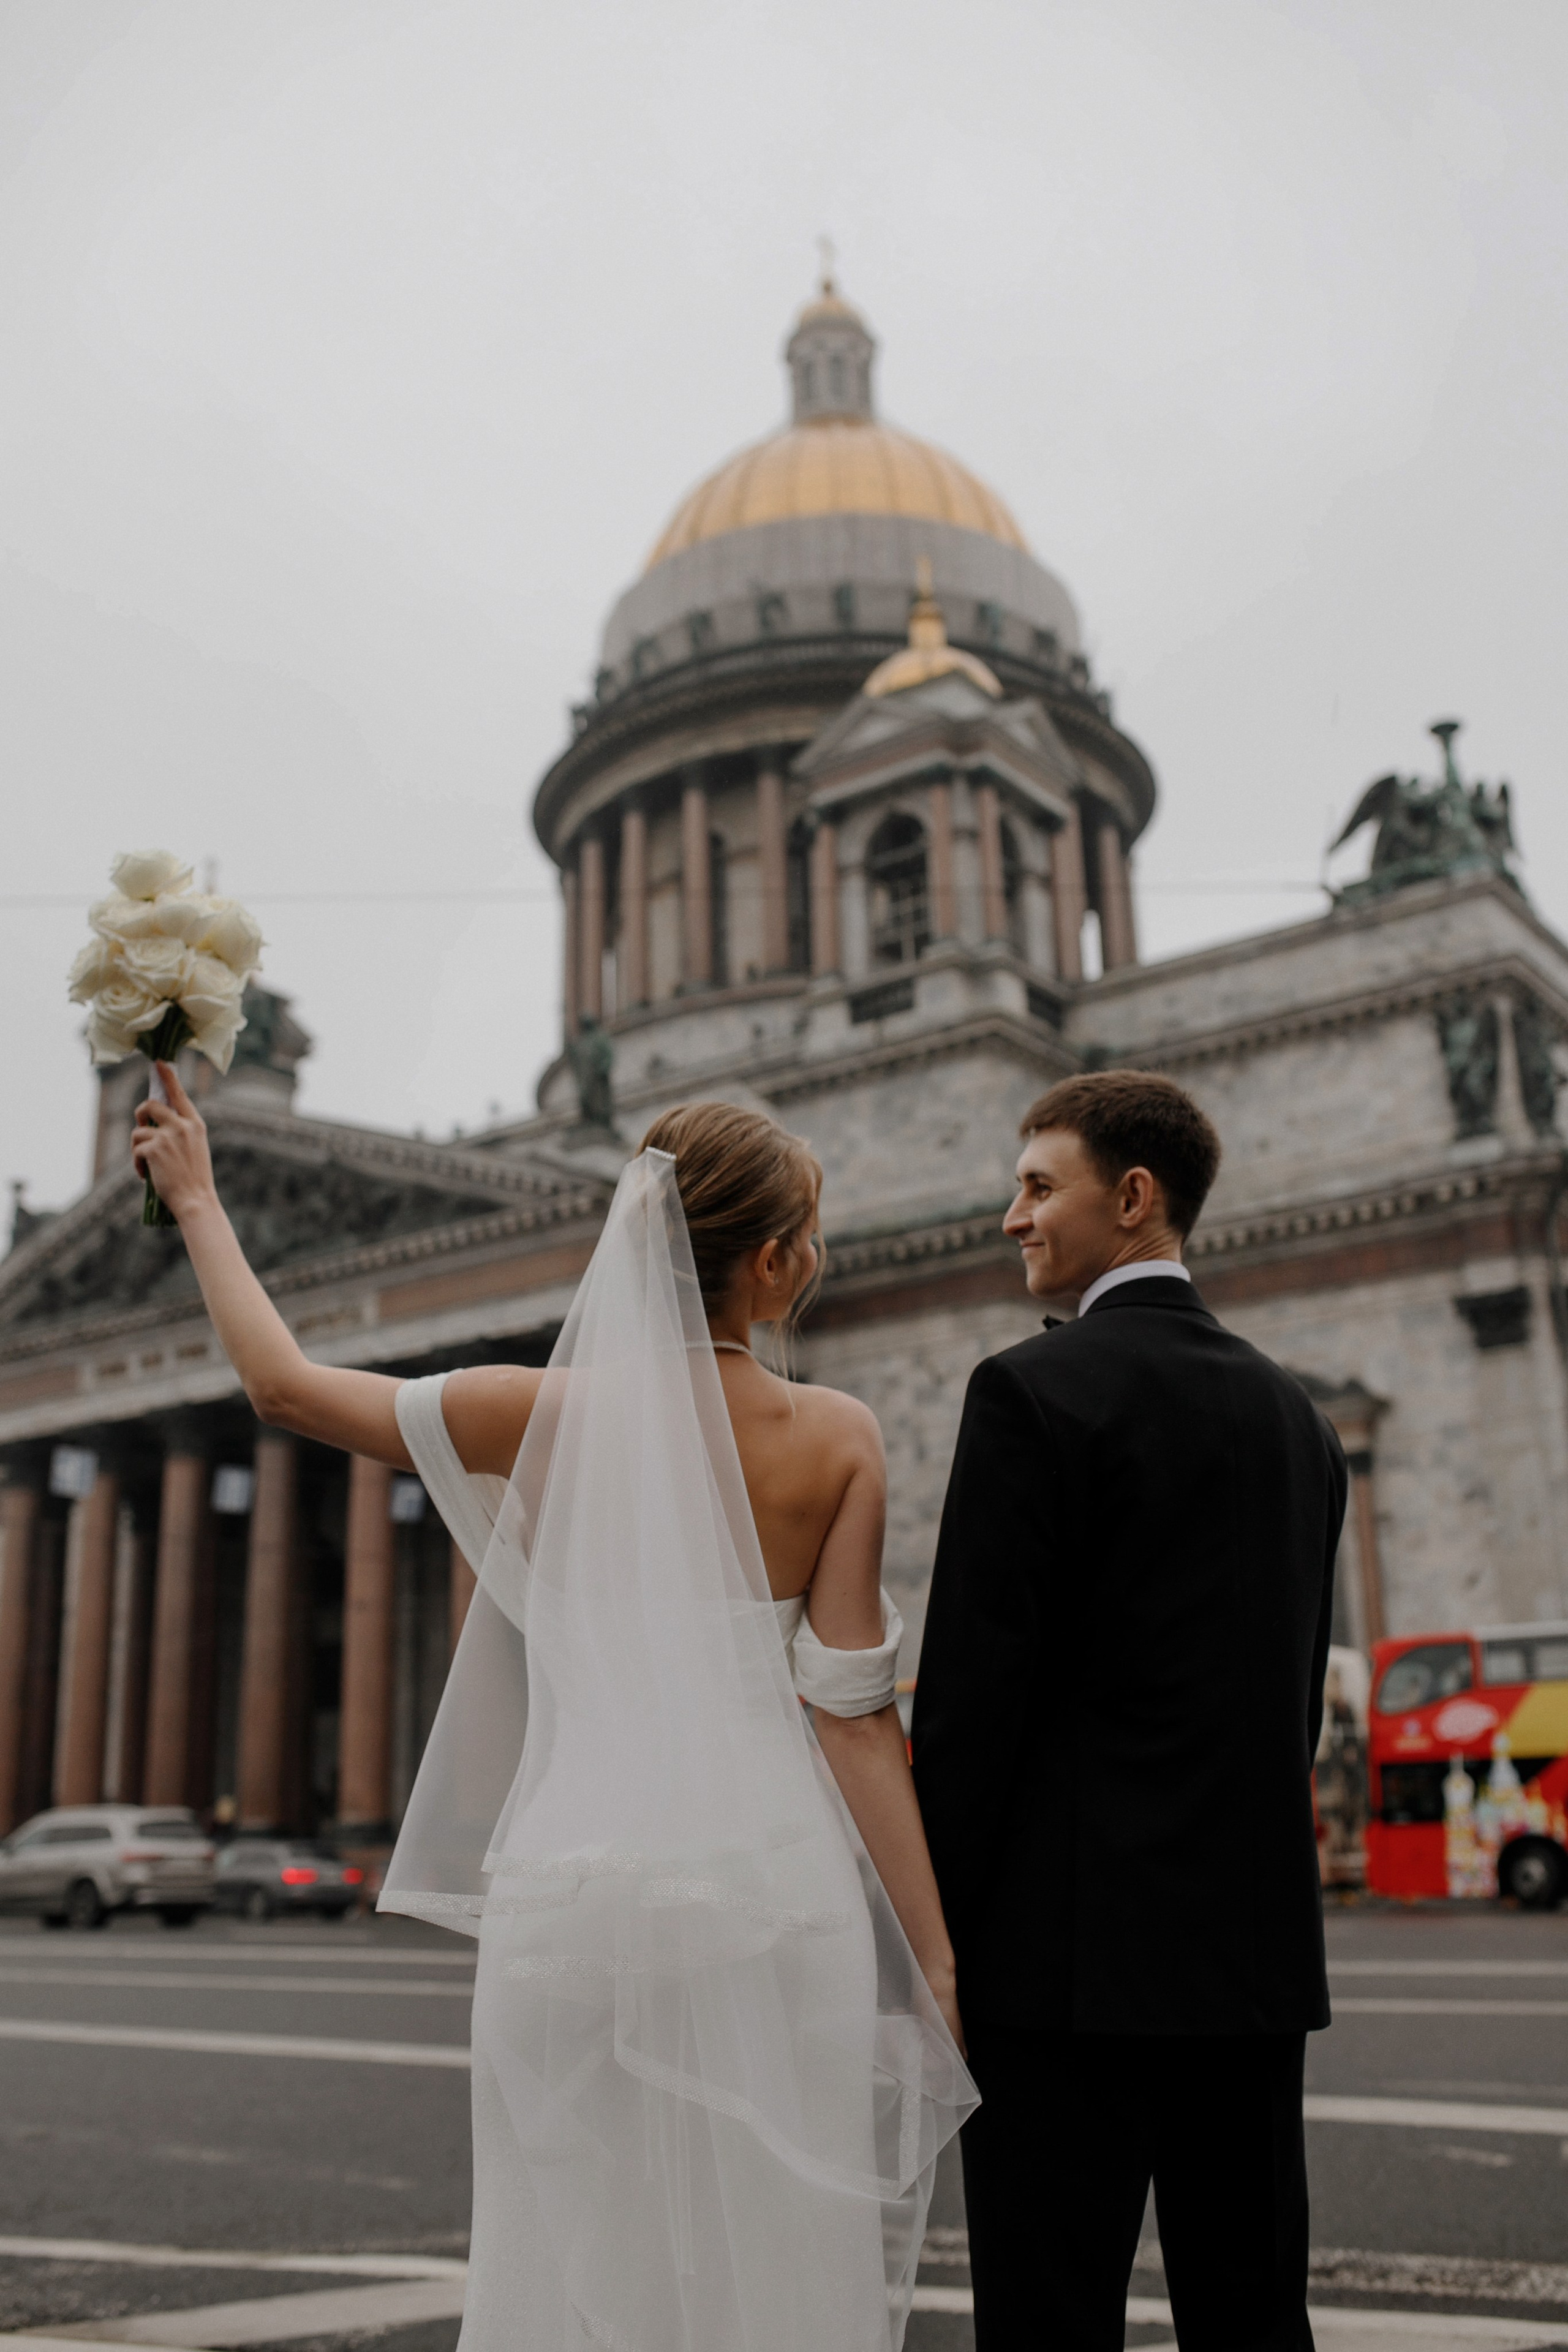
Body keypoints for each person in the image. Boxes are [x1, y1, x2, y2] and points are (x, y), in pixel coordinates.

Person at [132, 1072, 974, 2352]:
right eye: (806, 1236)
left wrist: (196, 1196)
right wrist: (935, 1958)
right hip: (772, 1894)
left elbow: (284, 1388)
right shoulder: (838, 1436)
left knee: (563, 2254)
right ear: (769, 1260)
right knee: (772, 2261)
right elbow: (853, 1720)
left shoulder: (523, 1412)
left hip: (572, 1889)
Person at [911, 1071, 1347, 2352]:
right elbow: (1293, 1702)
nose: (1011, 1217)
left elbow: (971, 1718)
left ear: (1135, 1197)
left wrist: (926, 1942)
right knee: (1254, 2319)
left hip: (1059, 1974)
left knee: (1049, 2323)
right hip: (1252, 1968)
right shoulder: (1300, 1421)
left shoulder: (1030, 1394)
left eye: (1038, 1186)